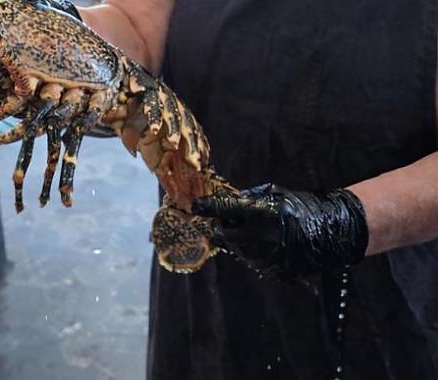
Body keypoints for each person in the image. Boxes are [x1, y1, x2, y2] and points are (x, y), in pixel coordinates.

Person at [72, 0, 438, 379]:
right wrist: (60, 44)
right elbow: (136, 29)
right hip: (213, 268)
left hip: (391, 295)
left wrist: (348, 222)